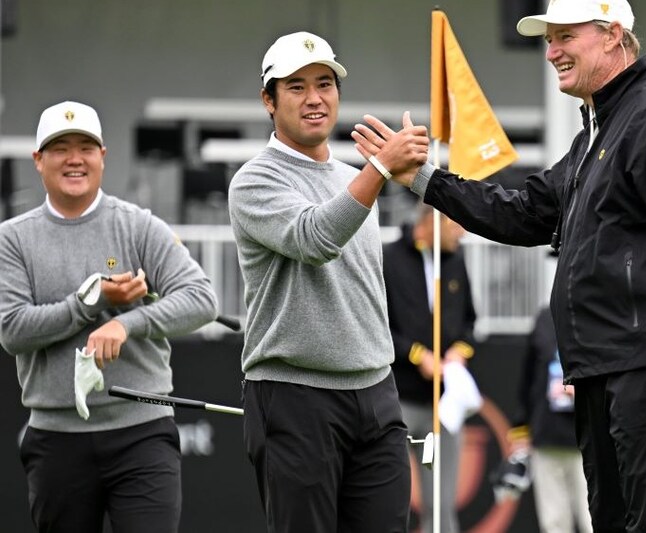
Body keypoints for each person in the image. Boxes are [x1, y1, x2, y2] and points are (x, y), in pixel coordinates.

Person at [352, 1, 646, 531]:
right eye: (548, 39)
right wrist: (424, 180)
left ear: (613, 35)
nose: (550, 52)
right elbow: (523, 214)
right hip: (604, 366)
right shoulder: (597, 132)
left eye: (564, 37)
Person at [227, 31, 429, 532]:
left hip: (377, 394)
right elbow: (314, 238)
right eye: (295, 87)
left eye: (325, 83)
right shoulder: (255, 179)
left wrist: (381, 172)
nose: (315, 98)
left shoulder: (350, 177)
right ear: (268, 101)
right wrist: (380, 167)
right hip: (294, 396)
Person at [0, 100, 219, 532]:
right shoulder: (12, 239)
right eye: (60, 148)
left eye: (85, 146)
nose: (74, 159)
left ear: (103, 156)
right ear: (39, 160)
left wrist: (126, 321)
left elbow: (200, 298)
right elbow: (12, 330)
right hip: (56, 437)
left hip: (143, 432)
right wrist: (92, 302)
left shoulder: (138, 225)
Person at [383, 202, 476, 533]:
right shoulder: (389, 258)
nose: (462, 232)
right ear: (431, 221)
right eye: (455, 224)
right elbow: (376, 326)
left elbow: (469, 323)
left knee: (440, 506)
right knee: (387, 501)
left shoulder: (455, 260)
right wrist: (416, 355)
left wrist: (458, 354)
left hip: (442, 408)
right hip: (396, 404)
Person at [508, 304, 593, 533]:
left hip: (588, 439)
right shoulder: (545, 318)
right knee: (554, 522)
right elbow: (528, 379)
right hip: (547, 436)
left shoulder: (597, 314)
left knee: (593, 519)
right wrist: (520, 428)